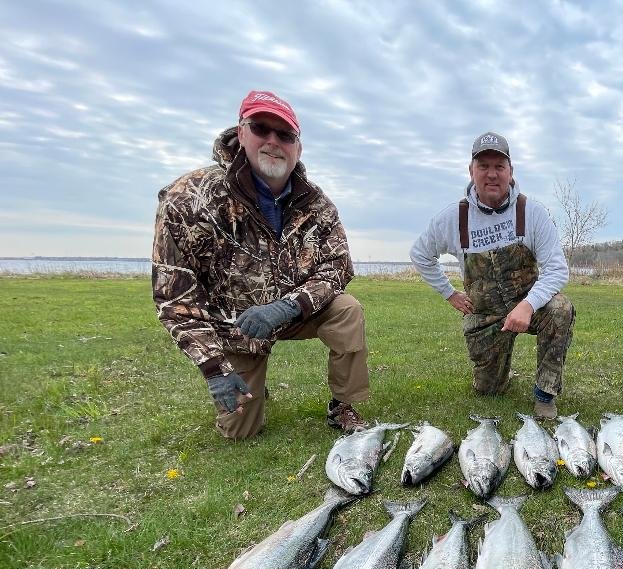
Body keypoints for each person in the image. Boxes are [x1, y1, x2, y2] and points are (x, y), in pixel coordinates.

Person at [152, 90, 368, 439]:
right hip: (237, 328)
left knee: (347, 310)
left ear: (297, 147)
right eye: (261, 129)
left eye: (285, 135)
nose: (273, 142)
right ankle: (251, 383)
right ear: (240, 134)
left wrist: (287, 306)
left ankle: (343, 404)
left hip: (294, 312)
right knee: (240, 432)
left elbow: (338, 266)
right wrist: (213, 368)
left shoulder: (316, 203)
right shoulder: (188, 199)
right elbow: (175, 299)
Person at [410, 132, 573, 419]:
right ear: (471, 171)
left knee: (560, 309)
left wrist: (527, 305)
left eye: (499, 166)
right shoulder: (453, 217)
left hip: (529, 306)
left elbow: (557, 270)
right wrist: (449, 293)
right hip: (485, 314)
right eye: (483, 166)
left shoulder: (532, 213)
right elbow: (420, 254)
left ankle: (545, 394)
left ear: (511, 172)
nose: (492, 174)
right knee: (488, 391)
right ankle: (498, 372)